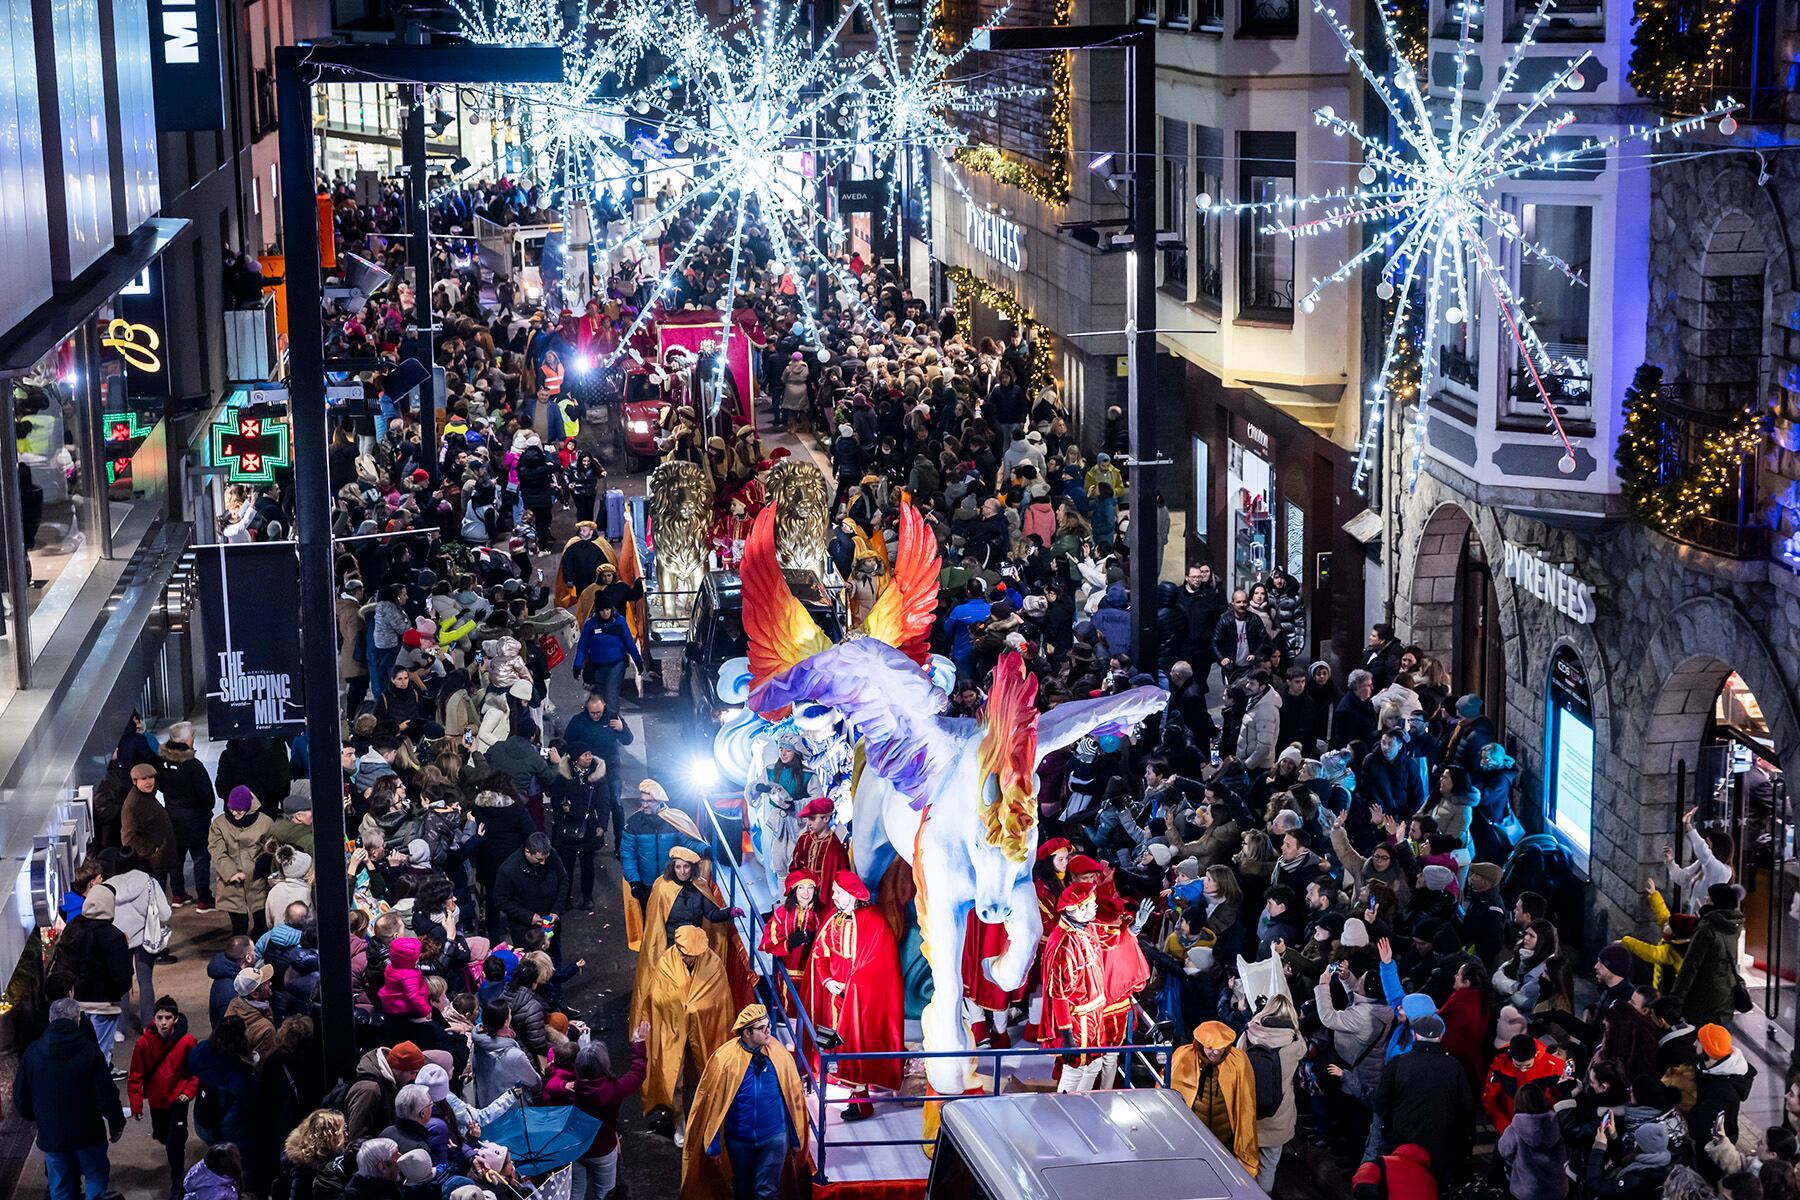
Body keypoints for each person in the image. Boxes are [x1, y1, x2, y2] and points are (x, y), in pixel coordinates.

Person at [682, 1005, 810, 1200]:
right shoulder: (725, 1059)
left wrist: (795, 1137)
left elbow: (792, 1099)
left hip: (774, 1137)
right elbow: (714, 1104)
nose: (769, 1031)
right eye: (762, 1028)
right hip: (739, 1140)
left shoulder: (779, 1054)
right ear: (747, 1032)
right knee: (742, 1188)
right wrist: (713, 1145)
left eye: (768, 1026)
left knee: (767, 1191)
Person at [808, 871, 905, 1119]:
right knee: (829, 1037)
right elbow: (821, 952)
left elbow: (880, 964)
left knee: (855, 1043)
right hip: (833, 995)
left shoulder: (873, 921)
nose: (833, 896)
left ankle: (860, 1099)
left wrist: (852, 986)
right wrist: (827, 980)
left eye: (837, 892)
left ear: (851, 895)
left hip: (858, 998)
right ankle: (829, 1075)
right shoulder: (834, 918)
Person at [14, 996, 126, 1200]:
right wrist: (116, 1123)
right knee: (95, 1178)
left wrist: (40, 1118)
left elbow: (21, 1098)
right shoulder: (90, 1052)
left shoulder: (33, 1053)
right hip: (88, 1135)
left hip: (53, 1137)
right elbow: (106, 1096)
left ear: (51, 1020)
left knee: (61, 1187)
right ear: (78, 1019)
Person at [643, 924, 735, 1143]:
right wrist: (681, 1007)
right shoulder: (667, 963)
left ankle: (707, 1118)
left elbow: (720, 1000)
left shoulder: (713, 964)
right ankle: (679, 1120)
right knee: (674, 1078)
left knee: (706, 1074)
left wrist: (695, 1008)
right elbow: (657, 998)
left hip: (705, 1030)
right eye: (686, 955)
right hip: (673, 1030)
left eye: (694, 956)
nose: (690, 960)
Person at [543, 1021, 649, 1200]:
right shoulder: (614, 1089)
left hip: (575, 1147)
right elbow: (638, 1073)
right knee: (606, 1193)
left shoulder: (568, 1087)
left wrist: (558, 1076)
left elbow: (552, 1082)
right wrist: (639, 1043)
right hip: (603, 1149)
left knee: (575, 1191)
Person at [1376, 1012, 1475, 1184]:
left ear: (1414, 1036)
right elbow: (1466, 1106)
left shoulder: (1398, 1064)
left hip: (1404, 1141)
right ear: (1441, 1036)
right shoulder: (1454, 1066)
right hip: (1442, 1143)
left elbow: (1380, 1102)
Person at [1171, 1020, 1261, 1180]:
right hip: (1193, 1137)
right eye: (1210, 1048)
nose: (1216, 1052)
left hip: (1224, 1137)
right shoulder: (1183, 1056)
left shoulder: (1238, 1061)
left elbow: (1246, 1103)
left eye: (1220, 1048)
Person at [130, 995, 199, 1198]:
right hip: (157, 1101)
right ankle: (171, 1141)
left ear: (175, 1019)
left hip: (178, 1099)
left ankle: (177, 1180)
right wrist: (136, 1106)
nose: (163, 1022)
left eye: (168, 1017)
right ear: (154, 1019)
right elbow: (136, 1074)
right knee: (162, 1134)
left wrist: (188, 1092)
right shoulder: (144, 1043)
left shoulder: (187, 1042)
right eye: (159, 1017)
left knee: (175, 1141)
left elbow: (196, 1071)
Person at [1041, 880, 1108, 1091]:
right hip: (1080, 1021)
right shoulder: (1065, 945)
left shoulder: (1083, 930)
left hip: (1094, 1014)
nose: (1096, 906)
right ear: (1079, 909)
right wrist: (1067, 1036)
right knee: (1076, 1067)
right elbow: (1059, 995)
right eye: (1092, 903)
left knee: (1094, 1064)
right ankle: (1064, 1113)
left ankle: (1083, 1107)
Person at [58, 883, 134, 1058]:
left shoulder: (74, 928)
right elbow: (122, 976)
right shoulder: (113, 935)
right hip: (104, 1005)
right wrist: (113, 994)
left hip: (76, 1002)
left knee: (80, 1052)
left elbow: (64, 960)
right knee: (100, 1055)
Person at [1240, 994, 1306, 1191]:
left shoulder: (1248, 1035)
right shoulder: (1295, 1043)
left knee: (1243, 1160)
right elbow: (1302, 1052)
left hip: (1247, 1111)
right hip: (1277, 1114)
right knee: (1268, 1164)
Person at [1669, 883, 1746, 1029]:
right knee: (1720, 1042)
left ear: (1716, 903)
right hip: (1725, 997)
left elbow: (1691, 966)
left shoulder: (1707, 928)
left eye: (1709, 899)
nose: (1705, 900)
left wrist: (1676, 997)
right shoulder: (1733, 925)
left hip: (1704, 998)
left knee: (1701, 1043)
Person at [208, 786, 275, 936]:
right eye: (232, 809)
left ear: (249, 807)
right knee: (239, 926)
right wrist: (231, 873)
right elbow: (217, 851)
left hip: (258, 882)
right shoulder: (219, 824)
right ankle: (240, 955)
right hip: (232, 885)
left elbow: (270, 849)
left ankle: (258, 954)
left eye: (239, 810)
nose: (235, 813)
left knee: (261, 925)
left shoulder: (265, 822)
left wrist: (262, 869)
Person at [491, 832, 570, 948]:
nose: (543, 863)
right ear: (527, 852)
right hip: (525, 930)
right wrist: (528, 916)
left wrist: (556, 910)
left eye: (545, 858)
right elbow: (500, 900)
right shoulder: (509, 870)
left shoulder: (551, 855)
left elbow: (564, 880)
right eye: (539, 859)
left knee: (554, 956)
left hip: (550, 924)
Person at [1496, 1081, 1567, 1200]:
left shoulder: (1514, 1128)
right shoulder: (1558, 1123)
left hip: (1527, 1192)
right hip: (1557, 1191)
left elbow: (1504, 1151)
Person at [571, 602, 642, 712]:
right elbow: (582, 647)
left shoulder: (619, 622)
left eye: (607, 610)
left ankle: (613, 721)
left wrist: (638, 662)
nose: (605, 613)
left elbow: (629, 644)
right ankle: (603, 723)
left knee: (611, 693)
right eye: (602, 610)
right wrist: (577, 665)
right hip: (598, 665)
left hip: (616, 664)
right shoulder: (591, 624)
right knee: (600, 695)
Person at [472, 1001, 541, 1108]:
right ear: (505, 1022)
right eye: (509, 1015)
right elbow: (533, 1081)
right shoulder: (514, 1055)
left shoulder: (478, 1039)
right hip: (508, 1106)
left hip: (485, 1100)